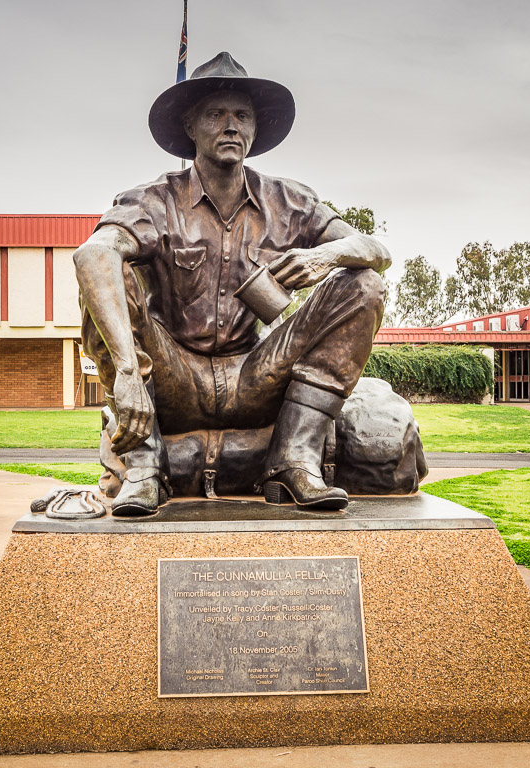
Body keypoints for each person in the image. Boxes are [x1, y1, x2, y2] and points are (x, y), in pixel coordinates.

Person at [74, 52, 389, 516]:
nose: (231, 126)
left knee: (364, 286)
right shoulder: (154, 200)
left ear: (256, 129)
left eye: (242, 115)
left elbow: (376, 252)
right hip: (172, 374)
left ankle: (296, 457)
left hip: (254, 374)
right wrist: (125, 371)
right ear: (190, 126)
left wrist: (325, 255)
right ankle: (144, 465)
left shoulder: (289, 200)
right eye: (215, 114)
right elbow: (93, 254)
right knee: (103, 278)